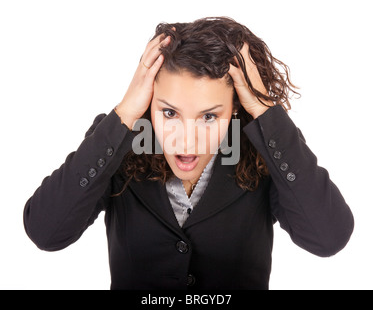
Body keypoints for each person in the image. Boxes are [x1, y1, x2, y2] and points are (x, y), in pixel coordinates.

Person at [23, 16, 354, 290]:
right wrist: (124, 114)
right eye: (169, 113)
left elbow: (328, 238)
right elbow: (46, 232)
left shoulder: (263, 145)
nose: (187, 140)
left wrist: (265, 112)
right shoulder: (119, 140)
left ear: (235, 108)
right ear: (149, 102)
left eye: (209, 116)